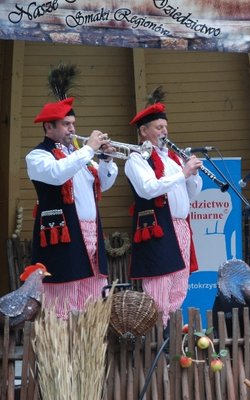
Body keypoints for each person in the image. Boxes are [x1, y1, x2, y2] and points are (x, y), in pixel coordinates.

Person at [26, 97, 118, 319]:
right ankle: (63, 348)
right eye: (66, 124)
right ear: (49, 127)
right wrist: (87, 149)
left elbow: (103, 184)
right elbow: (58, 174)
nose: (73, 129)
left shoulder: (79, 157)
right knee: (63, 296)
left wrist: (106, 160)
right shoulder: (38, 156)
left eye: (73, 123)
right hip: (64, 234)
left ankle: (87, 346)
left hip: (90, 233)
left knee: (91, 295)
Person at [125, 97, 204, 328]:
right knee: (160, 285)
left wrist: (194, 174)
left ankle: (172, 336)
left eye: (166, 127)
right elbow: (148, 188)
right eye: (159, 128)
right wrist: (183, 172)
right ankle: (159, 336)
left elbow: (191, 194)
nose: (165, 132)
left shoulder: (174, 158)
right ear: (143, 131)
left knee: (180, 285)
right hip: (159, 226)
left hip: (181, 226)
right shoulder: (136, 158)